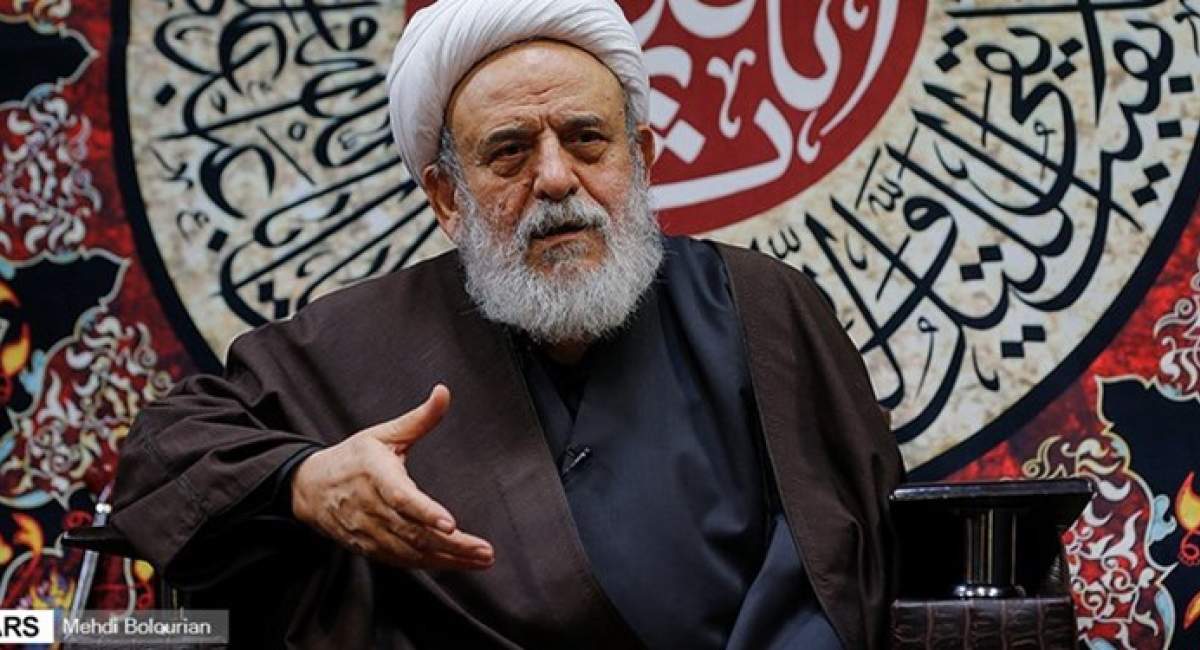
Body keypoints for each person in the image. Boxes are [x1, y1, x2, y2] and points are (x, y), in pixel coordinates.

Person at [108, 0, 905, 647]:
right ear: (447, 199)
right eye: (509, 152)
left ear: (641, 157)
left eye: (587, 140)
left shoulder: (764, 309)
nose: (556, 179)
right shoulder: (358, 343)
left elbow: (837, 562)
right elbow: (162, 455)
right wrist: (306, 483)